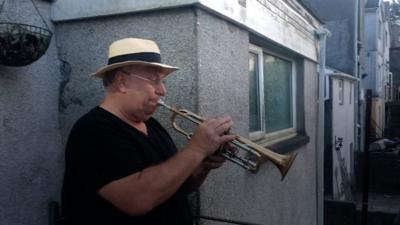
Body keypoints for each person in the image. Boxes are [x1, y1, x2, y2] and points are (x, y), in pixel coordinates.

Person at [61, 37, 237, 225]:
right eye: (154, 80)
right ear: (122, 82)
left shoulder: (153, 126)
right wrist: (196, 150)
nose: (163, 91)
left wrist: (203, 165)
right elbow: (137, 200)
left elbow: (178, 187)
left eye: (163, 82)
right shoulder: (92, 131)